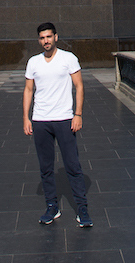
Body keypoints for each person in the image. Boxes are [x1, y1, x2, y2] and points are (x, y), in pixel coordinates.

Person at [23, 22, 90, 227]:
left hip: (64, 119)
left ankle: (82, 208)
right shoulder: (33, 62)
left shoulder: (68, 58)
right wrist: (26, 117)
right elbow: (28, 90)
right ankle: (52, 206)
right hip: (41, 120)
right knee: (46, 166)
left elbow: (79, 86)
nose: (46, 41)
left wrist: (77, 114)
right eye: (42, 38)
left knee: (72, 165)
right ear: (39, 40)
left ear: (56, 37)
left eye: (49, 37)